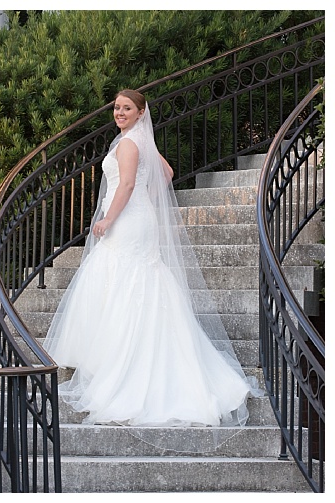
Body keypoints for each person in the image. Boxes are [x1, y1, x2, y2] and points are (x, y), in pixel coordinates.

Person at [43, 90, 256, 432]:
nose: (120, 112)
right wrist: (146, 200)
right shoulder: (140, 142)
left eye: (127, 108)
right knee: (137, 281)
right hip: (139, 217)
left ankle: (121, 364)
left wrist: (109, 219)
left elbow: (126, 184)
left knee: (124, 281)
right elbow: (167, 172)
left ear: (142, 113)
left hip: (127, 220)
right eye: (117, 107)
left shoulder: (129, 144)